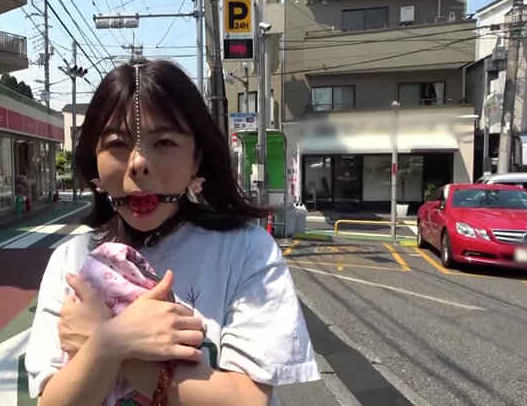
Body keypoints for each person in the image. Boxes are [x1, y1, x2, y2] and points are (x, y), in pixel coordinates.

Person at [25, 59, 319, 406]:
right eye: (117, 144)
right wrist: (109, 345)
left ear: (197, 158)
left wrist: (112, 344)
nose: (138, 163)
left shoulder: (246, 251)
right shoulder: (70, 260)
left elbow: (248, 399)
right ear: (95, 160)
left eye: (164, 142)